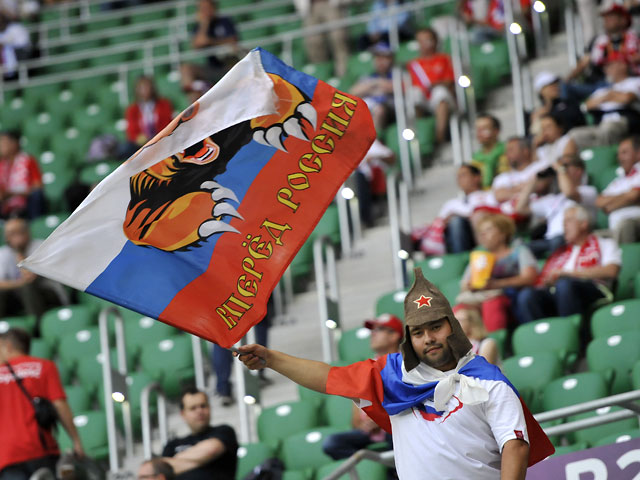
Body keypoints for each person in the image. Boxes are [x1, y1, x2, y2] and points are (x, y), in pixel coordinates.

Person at [235, 270, 553, 480]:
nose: (428, 338)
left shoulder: (488, 381)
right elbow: (328, 377)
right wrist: (272, 359)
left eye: (435, 327)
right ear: (409, 339)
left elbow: (515, 445)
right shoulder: (391, 377)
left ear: (453, 328)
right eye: (418, 332)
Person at [0, 328, 84, 480]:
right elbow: (60, 405)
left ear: (9, 346)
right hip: (41, 449)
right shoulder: (44, 366)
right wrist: (76, 441)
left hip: (6, 456)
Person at [516, 205, 621, 324]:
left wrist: (569, 274)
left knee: (565, 284)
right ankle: (541, 333)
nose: (564, 225)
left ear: (583, 224)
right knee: (527, 295)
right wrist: (549, 280)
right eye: (563, 222)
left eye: (568, 221)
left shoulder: (605, 243)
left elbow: (612, 271)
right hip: (558, 293)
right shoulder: (560, 252)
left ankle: (571, 329)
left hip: (592, 290)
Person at [322, 313, 402, 460]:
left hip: (395, 425)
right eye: (372, 330)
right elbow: (355, 417)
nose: (373, 334)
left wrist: (381, 419)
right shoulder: (366, 368)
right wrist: (364, 425)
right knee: (332, 443)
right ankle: (377, 466)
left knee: (396, 430)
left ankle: (394, 467)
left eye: (379, 329)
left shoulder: (404, 364)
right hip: (369, 432)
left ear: (394, 335)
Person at [456, 214, 538, 332]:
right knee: (459, 309)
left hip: (511, 298)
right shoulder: (479, 257)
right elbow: (464, 284)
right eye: (481, 232)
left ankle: (494, 340)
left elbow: (529, 277)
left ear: (503, 234)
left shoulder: (519, 251)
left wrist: (496, 284)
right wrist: (470, 285)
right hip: (482, 297)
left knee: (492, 303)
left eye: (488, 230)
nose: (483, 235)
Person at [516, 155, 598, 258]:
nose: (561, 169)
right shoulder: (553, 198)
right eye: (561, 167)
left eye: (565, 166)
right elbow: (520, 208)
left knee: (556, 243)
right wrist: (535, 179)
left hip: (567, 238)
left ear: (578, 171)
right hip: (549, 241)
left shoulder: (588, 191)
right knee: (519, 249)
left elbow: (569, 193)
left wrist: (559, 168)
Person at [412, 164, 497, 255]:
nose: (459, 179)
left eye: (463, 175)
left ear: (477, 177)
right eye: (458, 177)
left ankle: (482, 254)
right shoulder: (451, 203)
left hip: (485, 232)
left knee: (459, 221)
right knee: (455, 222)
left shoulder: (491, 196)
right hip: (456, 239)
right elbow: (439, 224)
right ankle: (459, 259)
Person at [563, 53, 640, 154]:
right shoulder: (603, 89)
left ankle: (602, 156)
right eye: (605, 66)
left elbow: (627, 98)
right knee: (573, 135)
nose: (606, 69)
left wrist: (605, 97)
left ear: (623, 65)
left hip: (623, 120)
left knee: (608, 129)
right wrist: (610, 96)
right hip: (601, 124)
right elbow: (586, 106)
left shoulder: (635, 81)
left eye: (610, 65)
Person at [564, 1, 640, 102]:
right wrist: (566, 80)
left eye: (611, 17)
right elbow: (584, 62)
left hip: (629, 81)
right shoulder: (598, 41)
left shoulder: (635, 38)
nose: (607, 20)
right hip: (599, 84)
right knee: (563, 88)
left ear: (623, 20)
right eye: (605, 18)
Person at [0, 218, 68, 325]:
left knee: (28, 287)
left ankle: (37, 326)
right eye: (11, 233)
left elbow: (30, 277)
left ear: (27, 232)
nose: (15, 236)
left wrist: (19, 251)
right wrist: (19, 284)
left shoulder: (41, 246)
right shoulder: (3, 253)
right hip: (19, 295)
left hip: (48, 293)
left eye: (19, 232)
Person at [161, 387, 238, 479]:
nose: (199, 411)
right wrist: (200, 459)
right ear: (183, 414)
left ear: (209, 408)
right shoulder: (172, 445)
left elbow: (211, 450)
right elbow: (162, 470)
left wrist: (173, 464)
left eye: (203, 406)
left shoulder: (224, 431)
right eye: (193, 408)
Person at [407, 27, 456, 145]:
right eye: (421, 41)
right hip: (423, 100)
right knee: (414, 93)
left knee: (440, 92)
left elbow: (450, 81)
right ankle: (422, 133)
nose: (424, 44)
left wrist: (433, 85)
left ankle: (440, 137)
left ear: (435, 41)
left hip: (443, 100)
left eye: (427, 40)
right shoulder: (413, 64)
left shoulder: (444, 58)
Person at [181, 0, 238, 89]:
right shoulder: (199, 26)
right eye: (202, 9)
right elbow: (197, 45)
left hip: (228, 66)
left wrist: (210, 41)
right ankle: (195, 95)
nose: (205, 11)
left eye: (207, 8)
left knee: (234, 65)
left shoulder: (224, 21)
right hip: (211, 68)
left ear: (214, 8)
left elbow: (233, 41)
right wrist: (204, 24)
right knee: (186, 69)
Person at [595, 135, 640, 243]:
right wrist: (627, 197)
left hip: (633, 224)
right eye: (618, 154)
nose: (620, 158)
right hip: (614, 230)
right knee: (592, 238)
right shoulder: (619, 180)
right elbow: (599, 202)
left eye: (624, 153)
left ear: (638, 153)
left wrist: (611, 204)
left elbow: (635, 195)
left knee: (626, 225)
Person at [529, 72, 585, 149]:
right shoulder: (538, 113)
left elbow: (573, 121)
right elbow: (536, 136)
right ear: (541, 90)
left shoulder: (568, 103)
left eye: (556, 84)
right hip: (552, 147)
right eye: (550, 85)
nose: (555, 86)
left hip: (575, 141)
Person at [294, 0, 349, 77]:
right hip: (310, 8)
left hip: (330, 4)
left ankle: (344, 74)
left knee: (338, 39)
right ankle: (322, 74)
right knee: (313, 43)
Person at [123, 76, 174, 159]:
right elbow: (131, 131)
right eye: (141, 87)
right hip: (141, 144)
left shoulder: (164, 104)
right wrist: (140, 138)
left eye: (147, 86)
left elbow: (167, 124)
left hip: (160, 139)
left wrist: (155, 138)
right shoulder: (132, 109)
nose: (145, 90)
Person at [350, 43, 395, 132]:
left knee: (379, 110)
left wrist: (374, 88)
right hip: (370, 108)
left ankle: (374, 139)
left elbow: (395, 87)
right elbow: (353, 92)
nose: (379, 61)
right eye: (377, 57)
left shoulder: (396, 73)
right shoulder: (370, 76)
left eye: (383, 57)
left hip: (390, 109)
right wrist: (376, 83)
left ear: (390, 59)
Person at [0, 131, 44, 219]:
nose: (1, 146)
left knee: (36, 195)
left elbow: (38, 186)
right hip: (5, 206)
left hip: (26, 204)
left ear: (14, 144)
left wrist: (13, 193)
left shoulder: (28, 160)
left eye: (3, 142)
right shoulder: (2, 164)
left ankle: (34, 222)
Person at [353, 138, 395, 228]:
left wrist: (373, 157)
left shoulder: (371, 143)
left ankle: (367, 218)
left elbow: (391, 156)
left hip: (371, 177)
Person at [471, 113, 508, 188]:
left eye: (484, 129)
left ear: (496, 131)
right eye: (478, 129)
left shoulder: (508, 151)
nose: (479, 133)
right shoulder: (475, 160)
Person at [0, 13, 30, 81]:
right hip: (18, 49)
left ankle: (12, 76)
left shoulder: (14, 27)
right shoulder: (11, 28)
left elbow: (6, 40)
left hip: (21, 50)